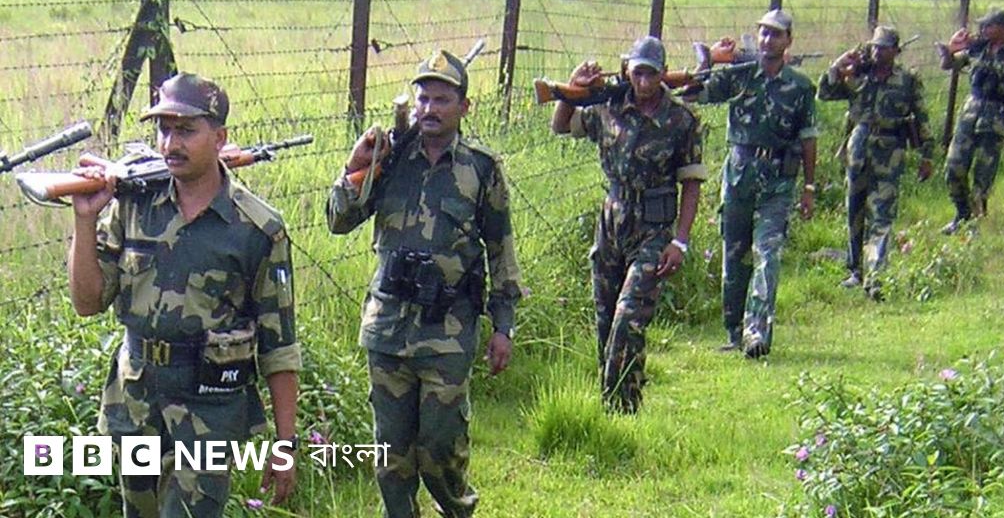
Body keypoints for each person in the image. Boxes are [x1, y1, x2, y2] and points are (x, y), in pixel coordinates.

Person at [67, 73, 302, 517]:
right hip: (136, 401)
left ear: (219, 138)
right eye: (164, 129)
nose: (170, 143)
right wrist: (84, 220)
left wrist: (285, 443)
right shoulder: (132, 206)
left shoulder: (257, 228)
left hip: (209, 408)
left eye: (186, 130)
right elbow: (87, 302)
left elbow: (279, 344)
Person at [327, 49, 521, 517]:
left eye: (442, 99)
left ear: (464, 107)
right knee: (390, 456)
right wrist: (355, 168)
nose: (430, 109)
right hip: (388, 327)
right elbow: (338, 220)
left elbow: (501, 249)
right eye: (423, 99)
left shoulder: (480, 168)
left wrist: (503, 326)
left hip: (447, 329)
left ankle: (456, 510)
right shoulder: (390, 159)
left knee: (440, 448)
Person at [551, 36, 706, 413]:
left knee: (629, 316)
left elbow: (691, 182)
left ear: (663, 73)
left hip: (654, 225)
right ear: (626, 71)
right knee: (605, 317)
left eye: (651, 73)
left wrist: (680, 241)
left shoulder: (680, 120)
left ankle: (621, 408)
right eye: (637, 73)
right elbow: (561, 126)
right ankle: (615, 400)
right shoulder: (609, 106)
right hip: (612, 221)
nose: (644, 82)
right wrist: (571, 90)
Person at [692, 9, 818, 359]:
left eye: (775, 34)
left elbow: (808, 137)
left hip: (778, 180)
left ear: (788, 40)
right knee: (734, 255)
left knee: (767, 253)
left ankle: (756, 331)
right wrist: (708, 59)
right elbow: (695, 92)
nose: (767, 40)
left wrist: (809, 188)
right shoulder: (740, 75)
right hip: (739, 176)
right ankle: (734, 332)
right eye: (763, 33)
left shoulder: (800, 87)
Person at [818, 26, 934, 301]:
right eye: (875, 46)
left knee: (882, 215)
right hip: (858, 149)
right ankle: (855, 270)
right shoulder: (858, 75)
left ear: (895, 50)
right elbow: (825, 92)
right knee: (854, 210)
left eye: (883, 47)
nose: (878, 52)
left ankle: (876, 277)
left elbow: (922, 118)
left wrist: (927, 155)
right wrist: (838, 66)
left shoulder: (907, 80)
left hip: (890, 151)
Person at [938, 7, 1004, 234]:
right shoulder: (976, 49)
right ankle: (962, 214)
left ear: (1003, 29)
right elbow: (949, 64)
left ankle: (974, 225)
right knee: (954, 168)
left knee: (983, 175)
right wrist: (949, 50)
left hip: (994, 120)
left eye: (989, 25)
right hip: (969, 115)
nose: (983, 29)